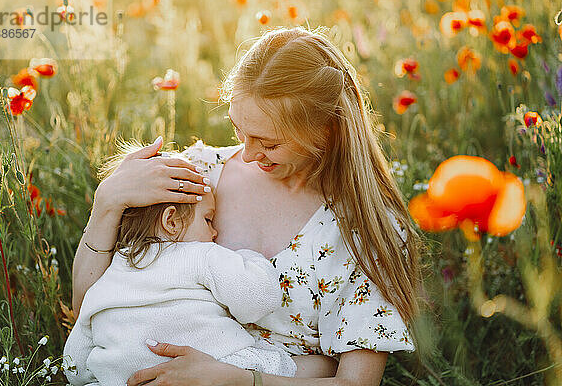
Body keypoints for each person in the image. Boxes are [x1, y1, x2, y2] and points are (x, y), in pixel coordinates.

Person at [72, 26, 423, 386]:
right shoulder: (198, 177)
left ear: (326, 130)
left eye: (269, 143)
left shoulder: (363, 232)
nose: (249, 154)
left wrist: (236, 379)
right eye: (240, 129)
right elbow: (96, 307)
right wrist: (108, 203)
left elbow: (355, 383)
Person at [63, 145, 297, 385]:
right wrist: (250, 258)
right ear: (171, 222)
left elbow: (75, 366)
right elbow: (258, 299)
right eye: (207, 219)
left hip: (127, 380)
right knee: (303, 366)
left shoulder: (107, 277)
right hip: (209, 368)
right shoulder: (199, 255)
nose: (215, 232)